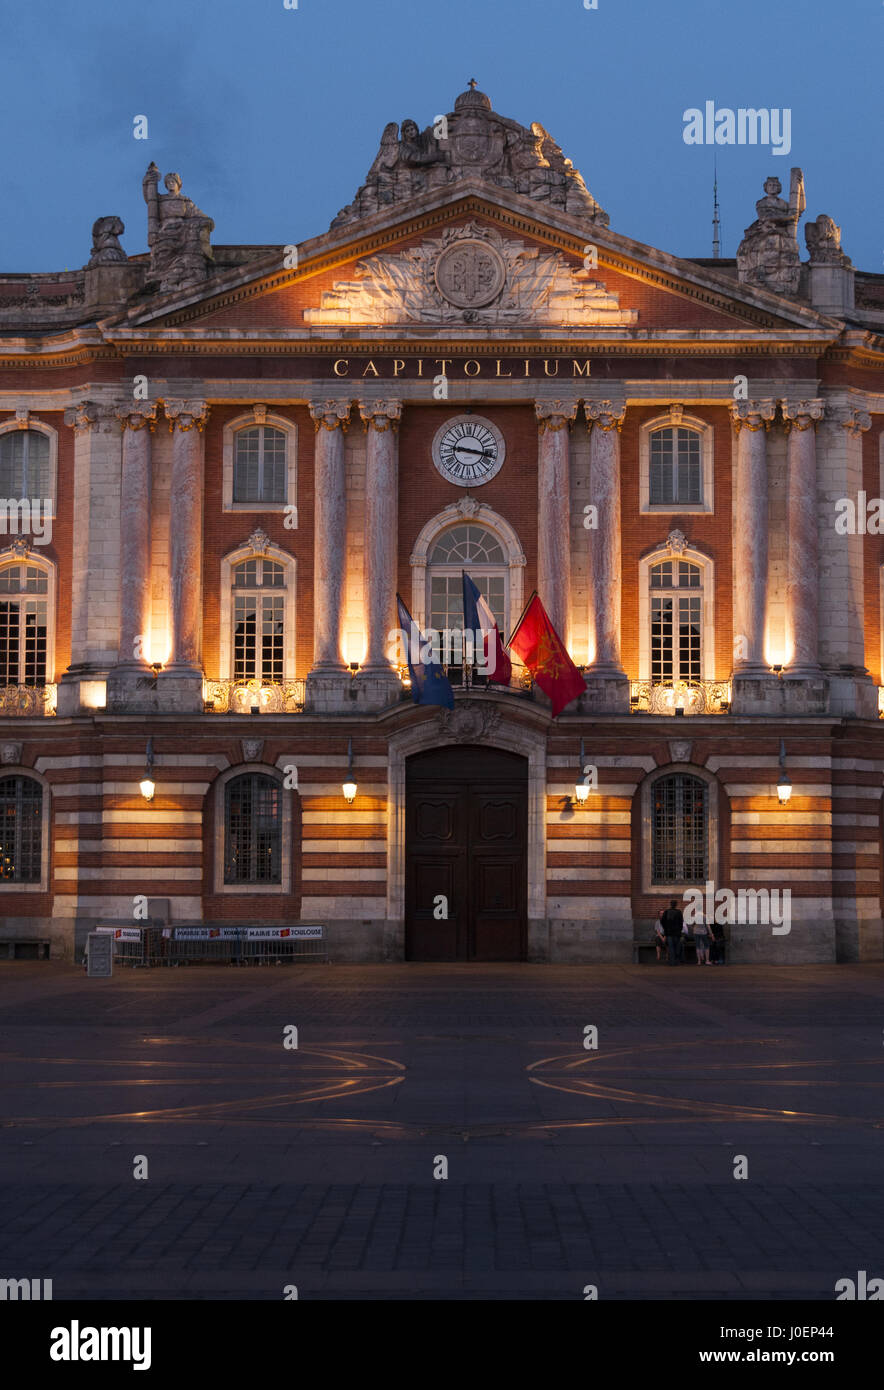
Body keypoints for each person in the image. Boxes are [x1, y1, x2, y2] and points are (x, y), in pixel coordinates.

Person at [660, 899, 684, 965]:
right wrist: (679, 930)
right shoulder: (679, 912)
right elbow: (681, 922)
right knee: (677, 947)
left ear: (670, 904)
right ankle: (677, 961)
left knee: (671, 947)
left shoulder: (666, 912)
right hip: (676, 933)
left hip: (669, 933)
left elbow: (662, 921)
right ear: (676, 905)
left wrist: (666, 929)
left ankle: (672, 962)